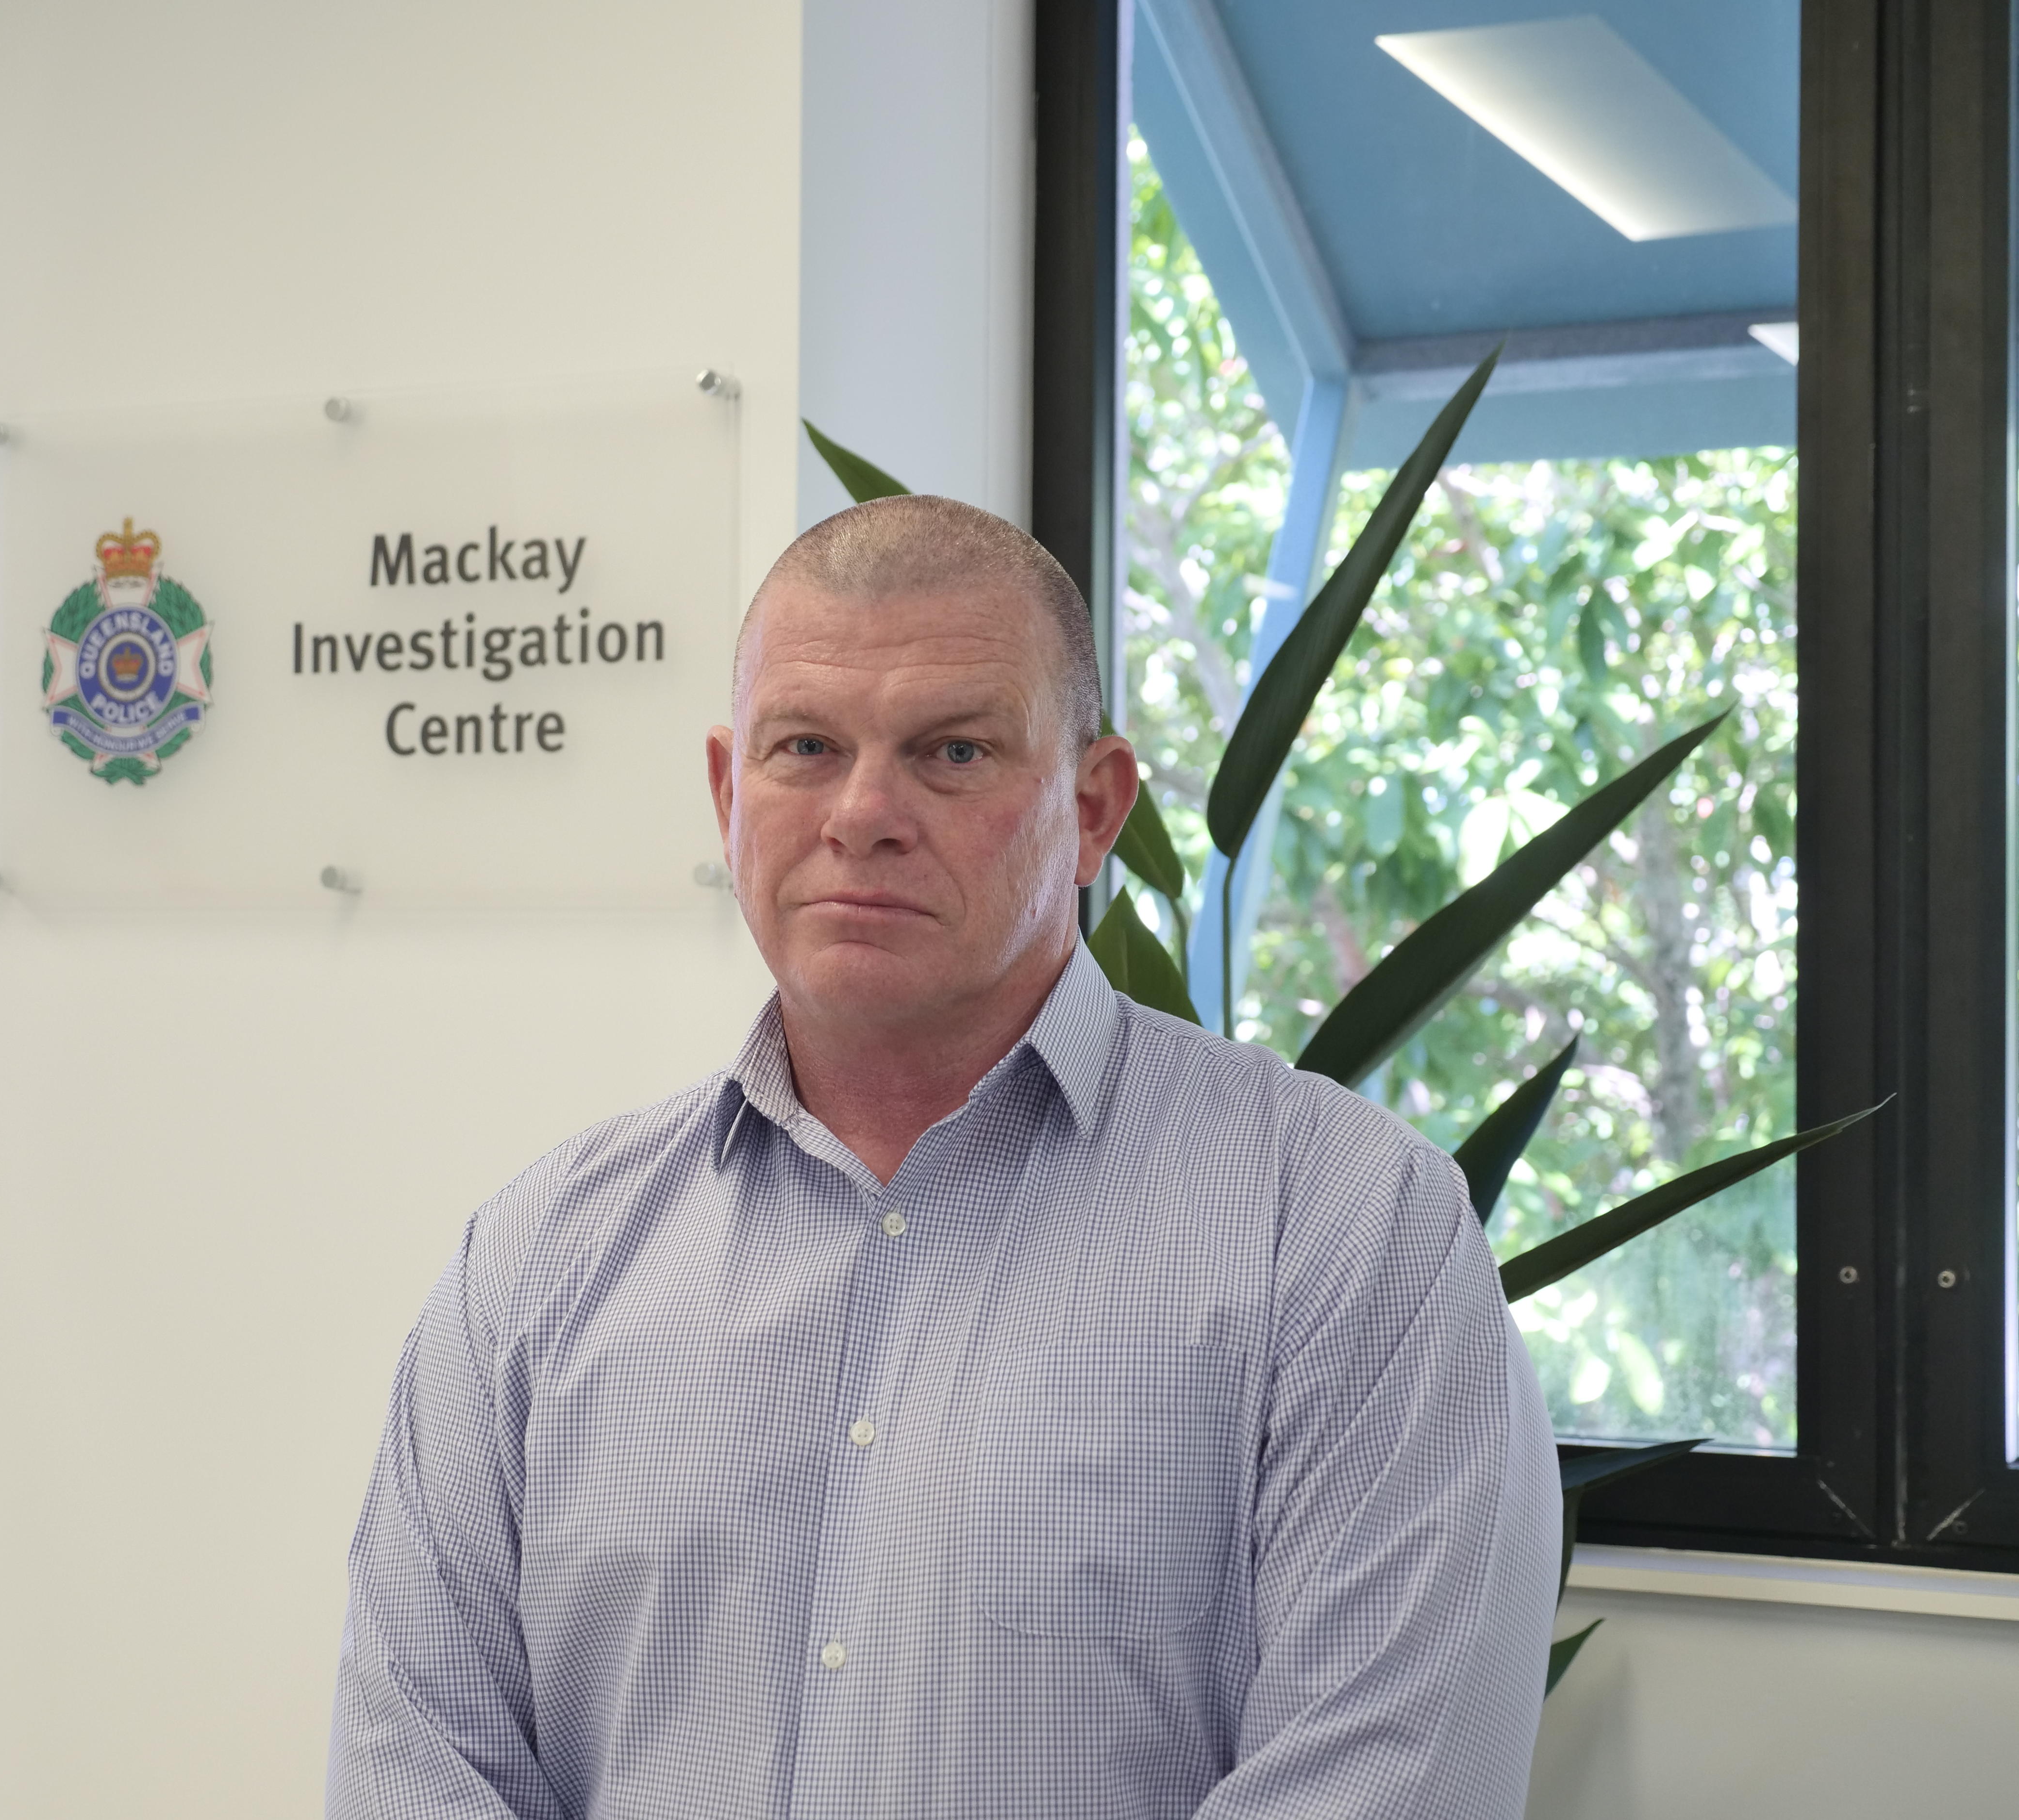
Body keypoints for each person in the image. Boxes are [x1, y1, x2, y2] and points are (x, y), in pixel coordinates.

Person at [328, 495, 1562, 1820]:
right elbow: (417, 1766)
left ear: (1093, 811)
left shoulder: (1344, 1229)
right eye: (805, 747)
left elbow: (1385, 1784)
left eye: (953, 754)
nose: (864, 813)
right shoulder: (538, 1261)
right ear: (728, 791)